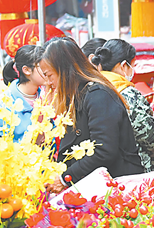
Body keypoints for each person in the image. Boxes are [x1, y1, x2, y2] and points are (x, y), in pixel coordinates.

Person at [39, 38, 143, 191]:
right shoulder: (78, 95)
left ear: (64, 70)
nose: (48, 82)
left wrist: (64, 179)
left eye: (49, 75)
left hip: (117, 186)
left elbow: (104, 150)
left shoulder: (98, 95)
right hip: (97, 185)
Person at [92, 39, 154, 172]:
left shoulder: (93, 88)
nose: (132, 70)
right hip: (132, 169)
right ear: (123, 65)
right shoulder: (127, 94)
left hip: (104, 169)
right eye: (132, 65)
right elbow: (151, 137)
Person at [1, 45, 47, 142]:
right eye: (42, 67)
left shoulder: (47, 98)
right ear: (26, 70)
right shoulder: (3, 105)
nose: (47, 71)